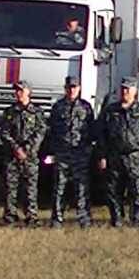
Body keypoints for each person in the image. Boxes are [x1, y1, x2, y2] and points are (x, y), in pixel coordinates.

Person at [98, 77, 139, 228]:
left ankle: (136, 220)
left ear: (135, 91)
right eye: (123, 88)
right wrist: (102, 155)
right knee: (113, 191)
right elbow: (101, 134)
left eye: (128, 89)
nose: (125, 91)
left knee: (137, 190)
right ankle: (117, 220)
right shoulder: (110, 111)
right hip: (114, 156)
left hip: (136, 156)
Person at [47, 75, 96, 228]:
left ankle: (84, 218)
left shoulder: (85, 107)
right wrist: (52, 151)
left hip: (79, 152)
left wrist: (89, 147)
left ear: (79, 89)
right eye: (69, 87)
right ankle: (56, 219)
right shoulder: (58, 107)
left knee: (81, 186)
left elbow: (91, 128)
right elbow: (52, 130)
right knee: (59, 187)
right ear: (65, 89)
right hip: (62, 152)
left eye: (74, 87)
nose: (72, 90)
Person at [0, 80, 46, 226]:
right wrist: (15, 148)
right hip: (12, 155)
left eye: (21, 90)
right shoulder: (9, 112)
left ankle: (31, 216)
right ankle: (10, 216)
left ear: (28, 92)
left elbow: (40, 132)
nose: (18, 93)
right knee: (10, 187)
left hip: (30, 156)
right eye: (16, 91)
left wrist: (26, 149)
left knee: (30, 187)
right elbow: (4, 132)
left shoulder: (37, 112)